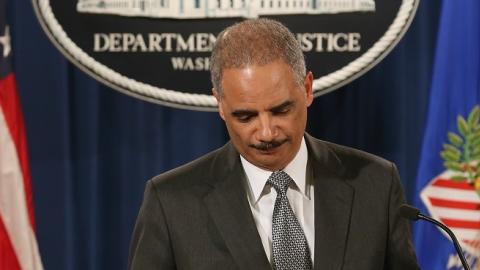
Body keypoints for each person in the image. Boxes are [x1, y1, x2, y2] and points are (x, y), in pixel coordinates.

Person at [128, 18, 419, 270]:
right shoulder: (171, 203)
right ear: (220, 104)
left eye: (281, 110)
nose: (266, 133)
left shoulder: (375, 184)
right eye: (245, 116)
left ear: (306, 89)